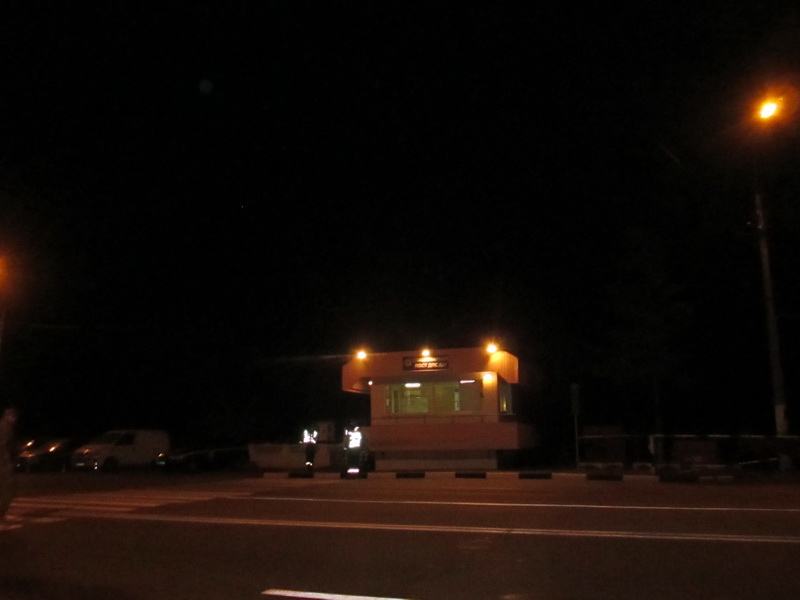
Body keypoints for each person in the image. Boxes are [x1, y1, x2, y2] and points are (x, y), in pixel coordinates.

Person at [0, 406, 19, 523]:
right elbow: (3, 446)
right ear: (8, 416)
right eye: (14, 416)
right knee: (8, 489)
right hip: (3, 464)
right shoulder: (5, 428)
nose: (15, 419)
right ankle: (1, 514)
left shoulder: (4, 426)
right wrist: (7, 462)